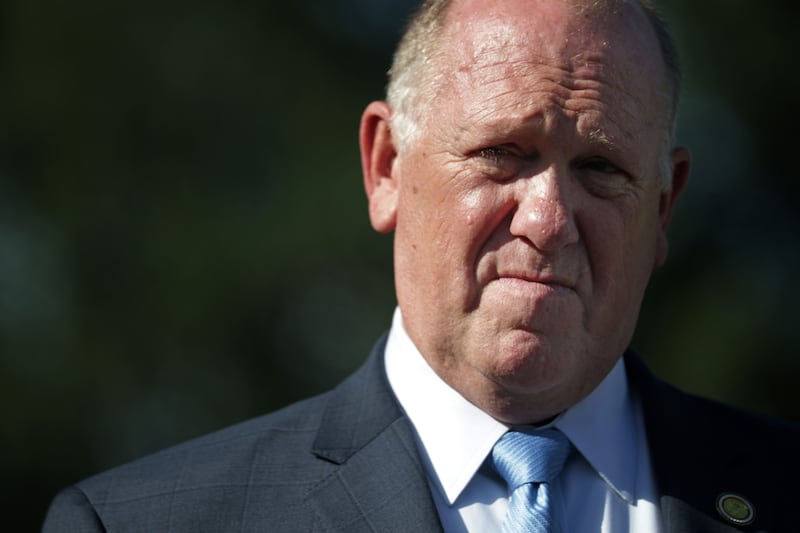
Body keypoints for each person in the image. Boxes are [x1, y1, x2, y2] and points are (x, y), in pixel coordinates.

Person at [43, 0, 799, 531]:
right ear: (385, 166)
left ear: (662, 209)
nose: (547, 218)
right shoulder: (143, 522)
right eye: (503, 154)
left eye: (601, 169)